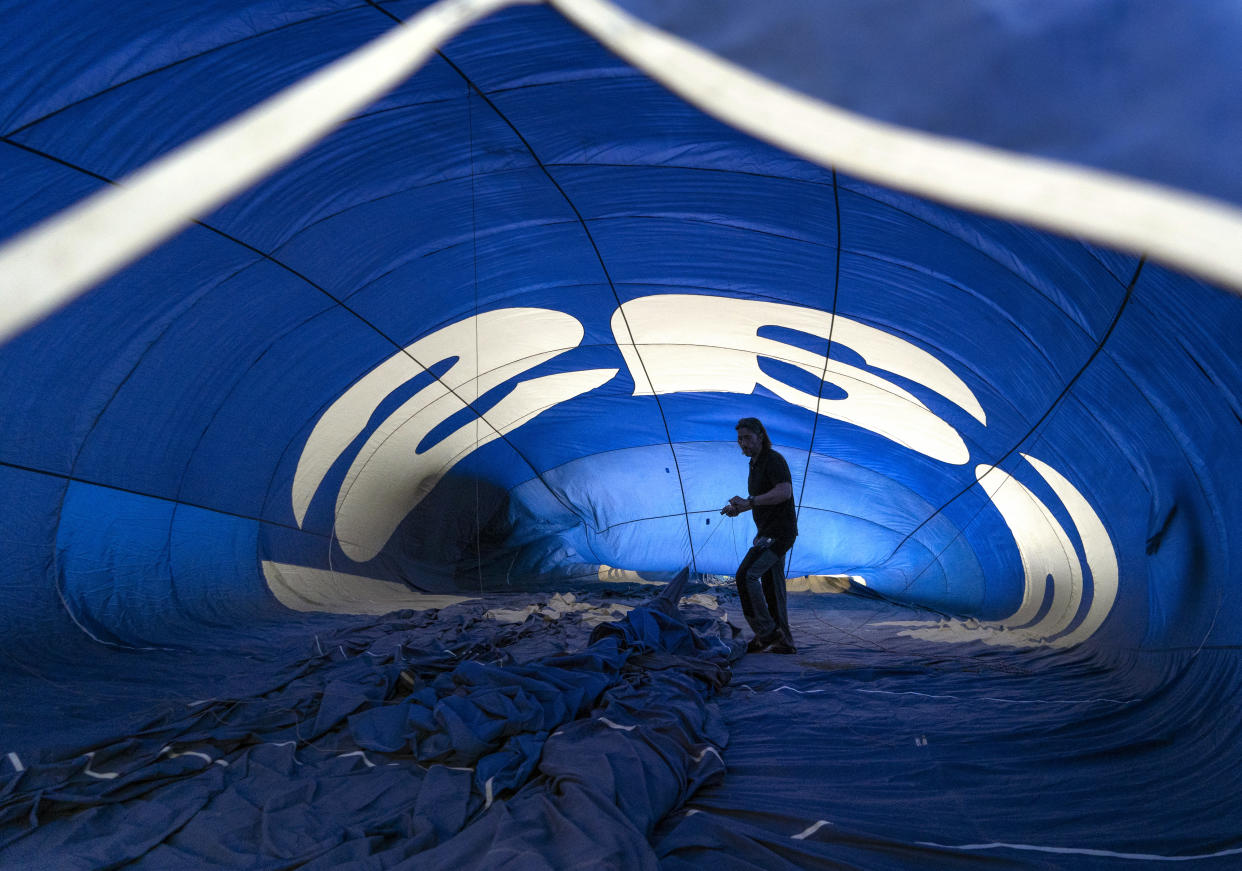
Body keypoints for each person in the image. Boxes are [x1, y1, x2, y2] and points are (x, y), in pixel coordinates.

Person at [720, 417, 797, 654]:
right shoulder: (754, 464)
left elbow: (784, 492)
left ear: (761, 437)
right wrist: (740, 508)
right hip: (767, 532)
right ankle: (784, 641)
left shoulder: (773, 460)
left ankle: (766, 633)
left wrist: (750, 501)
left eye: (747, 438)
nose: (743, 443)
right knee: (772, 586)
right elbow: (764, 499)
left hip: (779, 533)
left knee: (746, 575)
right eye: (740, 439)